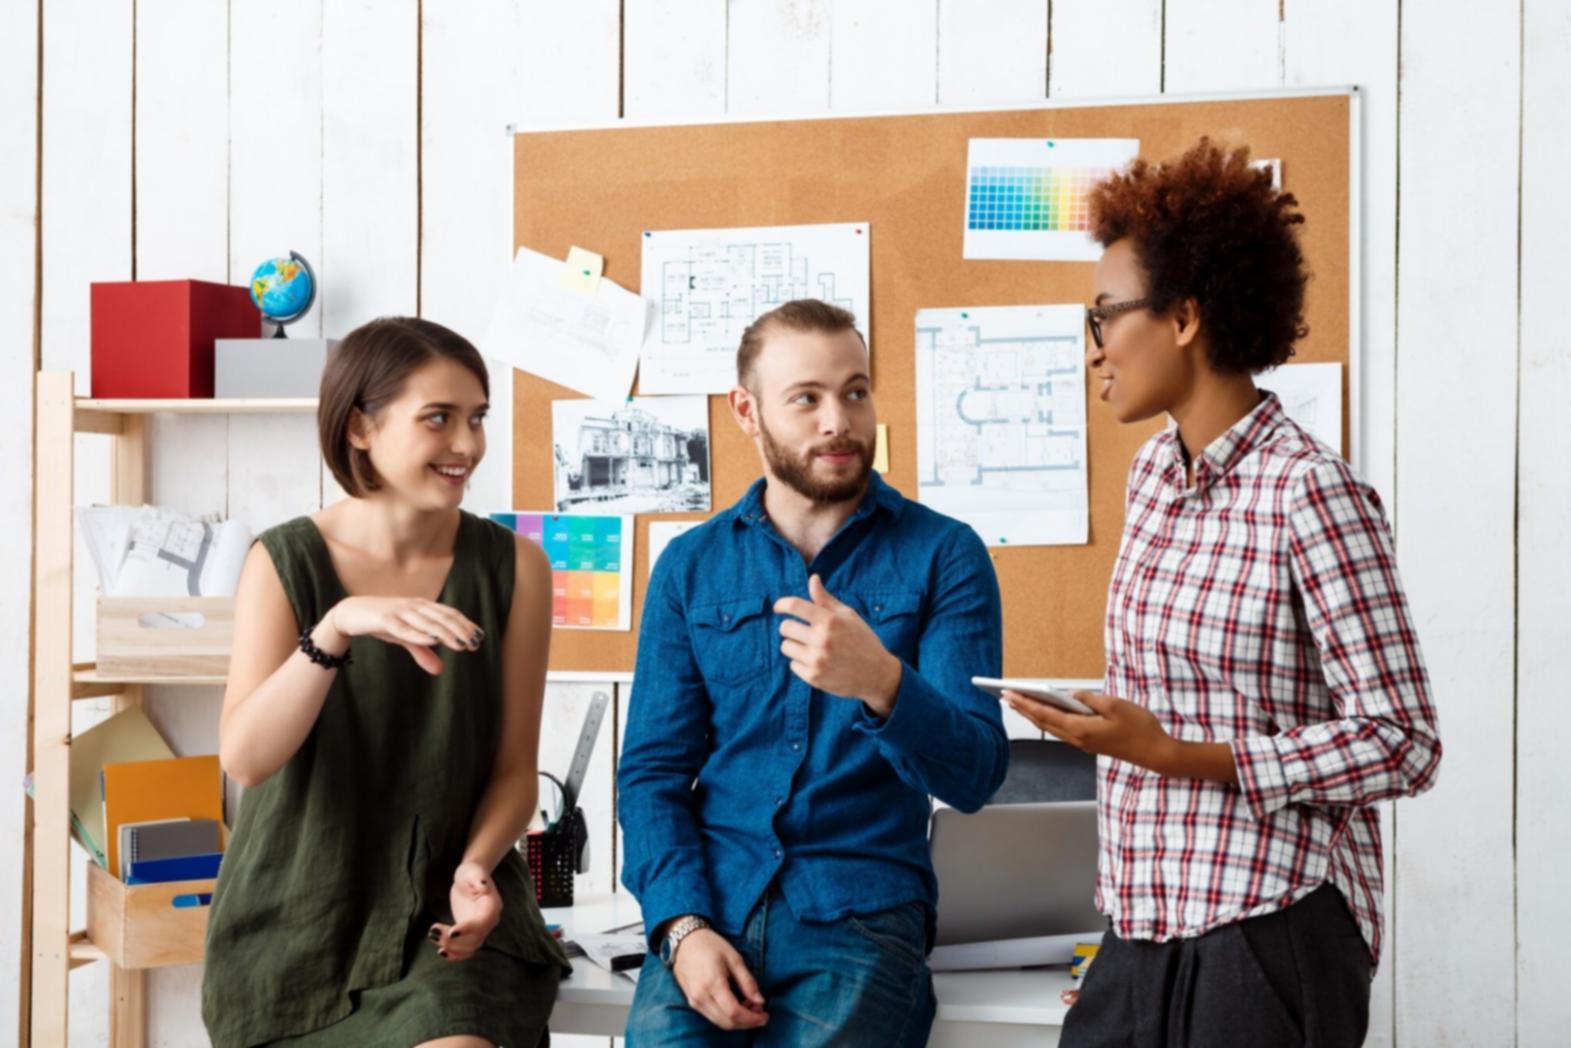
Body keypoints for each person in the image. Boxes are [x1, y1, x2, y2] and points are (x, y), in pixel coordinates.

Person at [1000, 140, 1444, 1047]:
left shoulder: (1308, 491)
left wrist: (1178, 756)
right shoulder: (1151, 476)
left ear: (1185, 316)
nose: (1092, 348)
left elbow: (1402, 741)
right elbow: (1191, 689)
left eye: (1102, 316)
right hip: (1142, 923)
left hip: (1268, 922)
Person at [618, 299, 1009, 1046]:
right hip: (711, 912)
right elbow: (651, 775)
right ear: (746, 410)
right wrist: (681, 927)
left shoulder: (945, 554)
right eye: (806, 398)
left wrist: (882, 683)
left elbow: (975, 775)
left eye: (855, 392)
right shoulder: (689, 567)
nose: (839, 421)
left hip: (860, 915)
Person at [202, 317, 569, 1048]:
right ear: (360, 426)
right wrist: (336, 627)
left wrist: (476, 867)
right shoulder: (282, 562)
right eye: (438, 418)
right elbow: (246, 759)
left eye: (476, 418)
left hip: (448, 908)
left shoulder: (515, 567)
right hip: (298, 916)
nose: (467, 444)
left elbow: (513, 771)